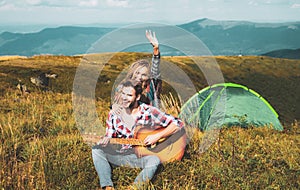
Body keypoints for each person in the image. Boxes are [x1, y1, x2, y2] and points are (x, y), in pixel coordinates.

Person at [92, 80, 184, 189]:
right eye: (123, 94)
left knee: (154, 160)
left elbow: (178, 124)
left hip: (141, 157)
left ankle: (135, 187)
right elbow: (110, 137)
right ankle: (107, 186)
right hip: (121, 154)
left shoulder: (148, 112)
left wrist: (158, 136)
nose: (125, 98)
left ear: (138, 97)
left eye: (129, 95)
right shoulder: (113, 114)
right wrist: (105, 141)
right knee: (96, 150)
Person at [113, 30, 162, 109]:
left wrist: (156, 49)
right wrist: (114, 106)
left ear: (148, 77)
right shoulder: (122, 88)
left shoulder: (150, 89)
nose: (139, 77)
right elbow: (116, 106)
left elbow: (155, 70)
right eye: (137, 73)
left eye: (144, 75)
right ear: (132, 73)